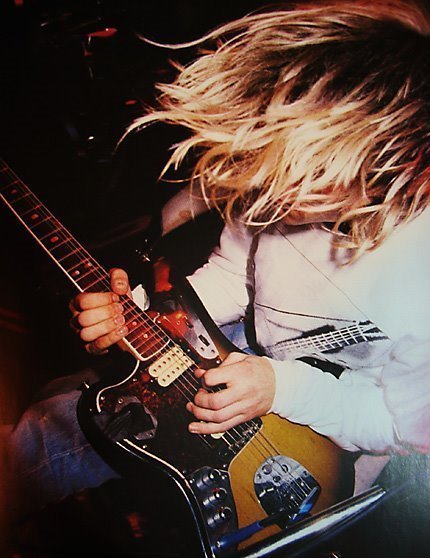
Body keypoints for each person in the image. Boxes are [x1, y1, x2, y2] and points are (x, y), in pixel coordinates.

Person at [6, 0, 430, 544]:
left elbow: (402, 428)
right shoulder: (279, 183)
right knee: (68, 415)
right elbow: (233, 275)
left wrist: (281, 388)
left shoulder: (418, 285)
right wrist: (142, 316)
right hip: (242, 354)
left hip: (326, 440)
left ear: (394, 168)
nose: (267, 188)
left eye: (302, 174)